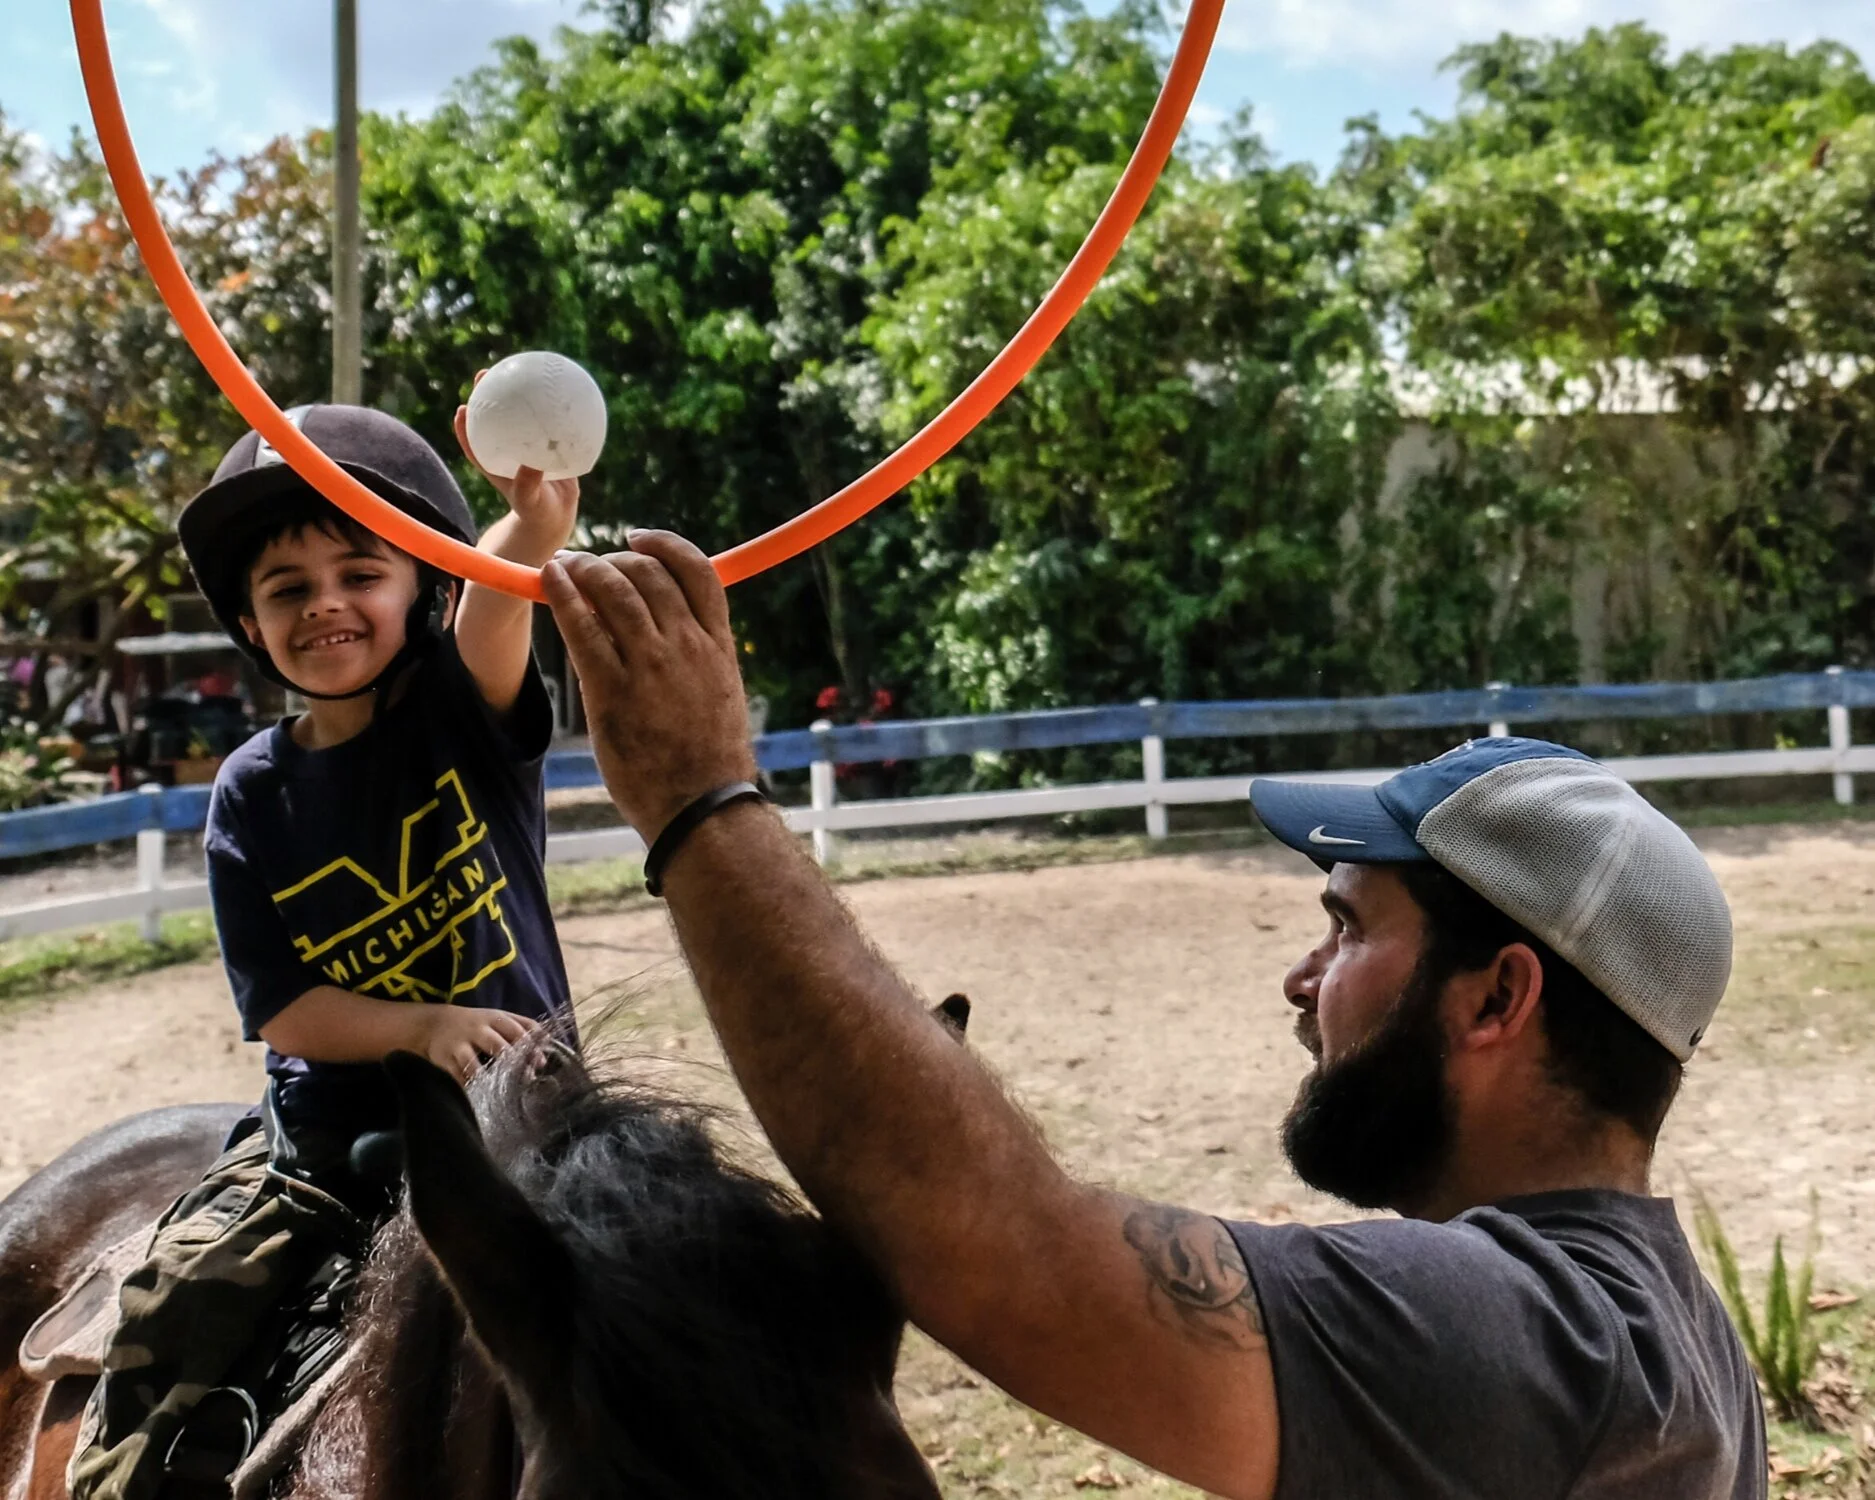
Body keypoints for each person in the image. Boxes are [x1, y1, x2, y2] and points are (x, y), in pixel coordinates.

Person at [536, 533, 1767, 1500]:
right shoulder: (1676, 1338)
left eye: (1347, 929)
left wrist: (699, 802)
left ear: (1498, 996)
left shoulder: (1527, 1343)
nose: (1301, 980)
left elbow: (1009, 1256)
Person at [71, 402, 579, 1500]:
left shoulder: (461, 713)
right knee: (177, 1331)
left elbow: (497, 607)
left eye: (360, 573)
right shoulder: (250, 792)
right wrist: (423, 1028)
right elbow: (288, 1009)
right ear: (252, 627)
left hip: (531, 1122)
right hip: (339, 1151)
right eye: (288, 590)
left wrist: (526, 534)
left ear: (423, 589)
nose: (327, 606)